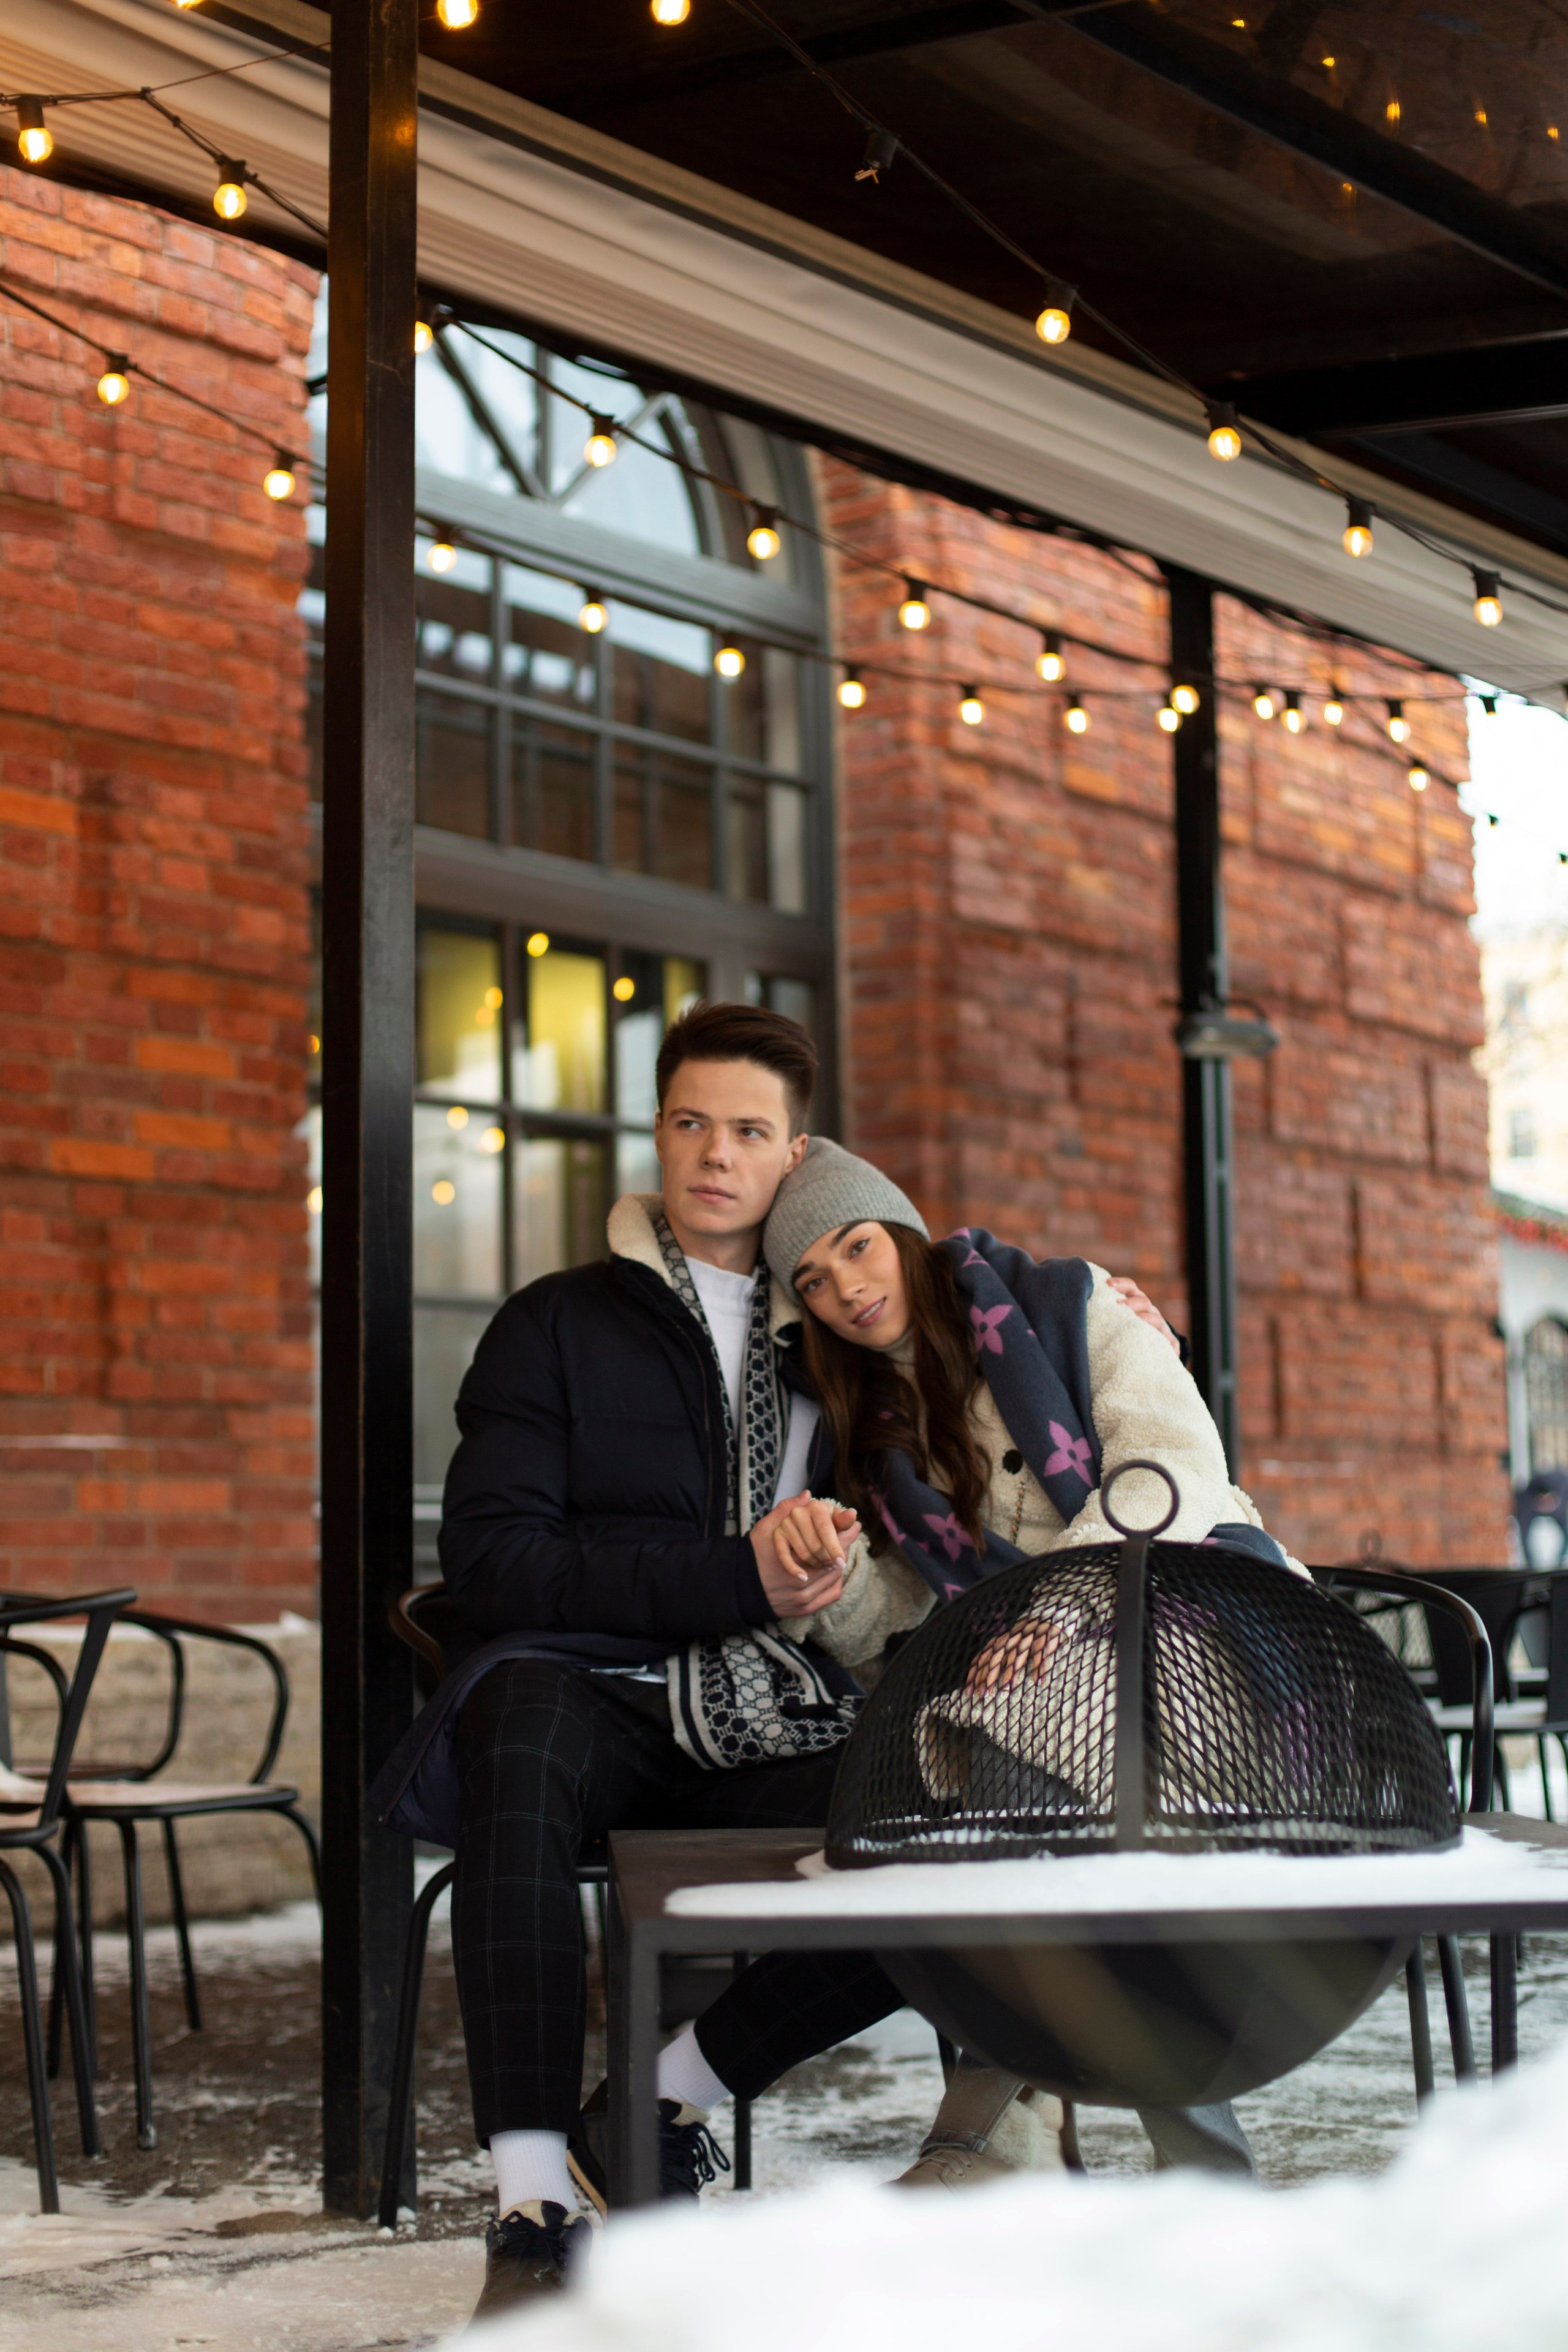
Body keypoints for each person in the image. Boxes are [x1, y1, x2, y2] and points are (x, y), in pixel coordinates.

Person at [379, 1004, 1182, 2317]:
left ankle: (657, 2103)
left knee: (949, 1816)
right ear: (656, 1133)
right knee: (513, 1721)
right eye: (689, 1122)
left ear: (791, 1149)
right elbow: (495, 1567)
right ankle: (530, 2195)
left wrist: (1103, 1321)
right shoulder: (555, 1325)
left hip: (779, 1703)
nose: (713, 1154)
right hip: (584, 1688)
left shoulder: (841, 1335)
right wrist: (731, 1573)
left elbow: (976, 1356)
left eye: (747, 1130)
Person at [652, 1137, 1295, 2193]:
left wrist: (1065, 1602)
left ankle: (996, 2135)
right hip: (1038, 1690)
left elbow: (1177, 1464)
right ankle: (1163, 2167)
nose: (846, 1290)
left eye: (859, 1249)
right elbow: (901, 1623)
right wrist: (836, 1576)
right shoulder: (875, 1425)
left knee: (998, 1792)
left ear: (903, 1233)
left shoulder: (1067, 1304)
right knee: (986, 1802)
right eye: (812, 1281)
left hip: (1194, 1626)